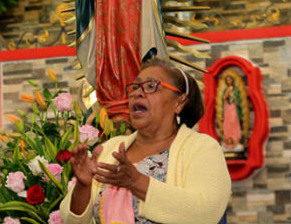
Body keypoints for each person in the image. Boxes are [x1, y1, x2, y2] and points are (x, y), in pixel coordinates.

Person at [60, 58, 231, 224]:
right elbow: (71, 220)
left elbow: (208, 212)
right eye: (135, 87)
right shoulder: (109, 148)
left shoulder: (202, 148)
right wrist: (83, 187)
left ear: (179, 102)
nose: (137, 93)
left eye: (151, 86)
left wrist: (138, 183)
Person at [222, 75, 243, 152]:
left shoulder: (235, 90)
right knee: (227, 123)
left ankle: (235, 140)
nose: (229, 81)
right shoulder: (226, 89)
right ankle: (227, 140)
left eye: (230, 80)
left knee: (233, 121)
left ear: (232, 80)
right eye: (227, 80)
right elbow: (223, 99)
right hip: (227, 107)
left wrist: (233, 95)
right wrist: (227, 94)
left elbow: (238, 99)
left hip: (233, 107)